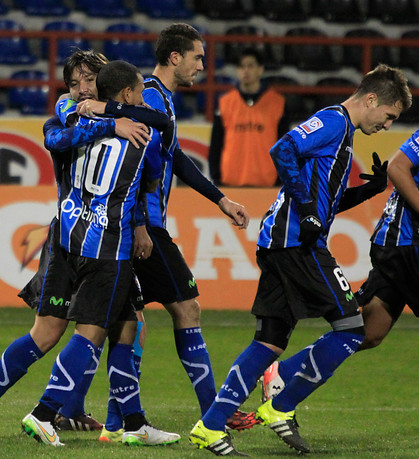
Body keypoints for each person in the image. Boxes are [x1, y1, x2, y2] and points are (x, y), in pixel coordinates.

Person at [260, 73, 419, 448]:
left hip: (394, 243)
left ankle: (281, 372)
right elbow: (398, 166)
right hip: (409, 243)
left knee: (370, 331)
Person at [189, 64, 412, 456]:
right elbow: (283, 148)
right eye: (389, 116)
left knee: (270, 340)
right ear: (372, 100)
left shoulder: (342, 136)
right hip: (295, 245)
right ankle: (281, 406)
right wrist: (307, 209)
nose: (387, 126)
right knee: (352, 328)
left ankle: (209, 427)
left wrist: (370, 191)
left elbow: (325, 204)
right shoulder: (332, 121)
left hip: (283, 243)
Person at [0, 50, 167, 442]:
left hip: (99, 236)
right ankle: (11, 405)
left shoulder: (122, 118)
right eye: (73, 83)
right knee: (54, 332)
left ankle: (119, 422)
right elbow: (57, 138)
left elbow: (139, 167)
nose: (80, 90)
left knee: (127, 324)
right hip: (79, 241)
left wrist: (140, 225)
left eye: (88, 81)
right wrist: (111, 125)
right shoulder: (69, 114)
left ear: (104, 84)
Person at [93, 23, 255, 442]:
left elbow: (175, 159)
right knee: (187, 309)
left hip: (133, 225)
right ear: (176, 57)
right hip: (140, 226)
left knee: (129, 322)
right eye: (199, 57)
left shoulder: (159, 99)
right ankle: (215, 414)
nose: (204, 65)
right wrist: (142, 224)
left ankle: (118, 423)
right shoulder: (143, 96)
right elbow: (135, 165)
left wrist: (221, 200)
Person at [20, 60, 180, 447]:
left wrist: (99, 112)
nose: (143, 97)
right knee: (91, 333)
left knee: (129, 327)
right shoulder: (144, 132)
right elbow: (158, 157)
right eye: (139, 91)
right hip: (111, 246)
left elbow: (56, 137)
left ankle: (133, 423)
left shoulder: (78, 127)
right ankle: (44, 412)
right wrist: (117, 117)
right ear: (127, 94)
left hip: (76, 236)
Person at [208, 47, 288, 187]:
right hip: (230, 184)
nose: (245, 70)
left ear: (260, 69)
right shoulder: (225, 103)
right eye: (241, 66)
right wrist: (216, 178)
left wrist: (281, 180)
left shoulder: (277, 103)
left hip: (267, 185)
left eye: (250, 66)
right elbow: (216, 145)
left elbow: (285, 147)